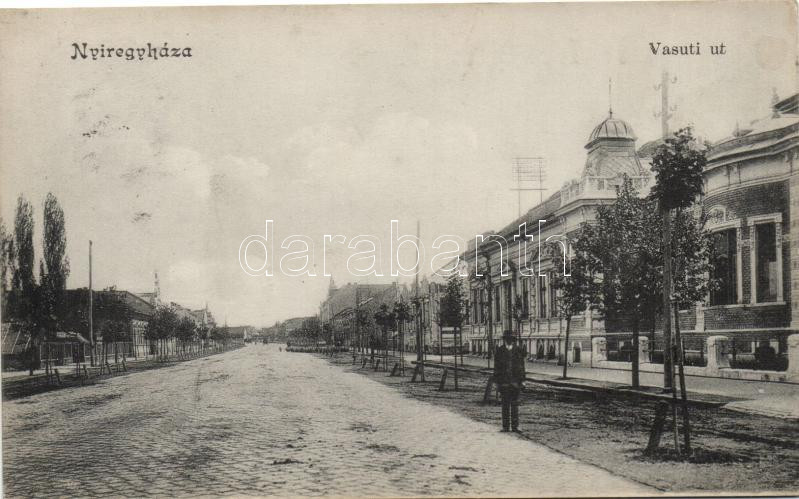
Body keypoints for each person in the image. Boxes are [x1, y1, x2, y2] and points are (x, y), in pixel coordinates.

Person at [493, 330, 526, 432]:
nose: (509, 341)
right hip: (504, 382)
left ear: (513, 340)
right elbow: (496, 367)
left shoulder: (518, 350)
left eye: (511, 339)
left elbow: (522, 367)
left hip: (515, 382)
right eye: (507, 339)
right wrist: (497, 382)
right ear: (504, 340)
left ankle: (515, 426)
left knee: (515, 405)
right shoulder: (499, 351)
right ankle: (505, 426)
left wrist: (523, 380)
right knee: (505, 405)